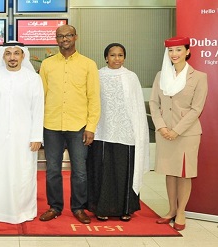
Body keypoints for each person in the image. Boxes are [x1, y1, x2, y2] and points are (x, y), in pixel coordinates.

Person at [0, 42, 44, 224]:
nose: (12, 57)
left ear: (23, 56)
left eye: (16, 53)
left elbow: (38, 109)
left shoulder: (33, 78)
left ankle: (23, 211)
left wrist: (36, 136)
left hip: (25, 135)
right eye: (8, 53)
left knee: (23, 172)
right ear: (2, 56)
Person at [38, 25, 100, 224]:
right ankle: (55, 207)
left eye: (68, 35)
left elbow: (94, 98)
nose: (65, 39)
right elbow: (42, 97)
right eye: (60, 36)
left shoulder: (88, 64)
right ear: (56, 39)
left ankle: (78, 207)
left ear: (76, 37)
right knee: (53, 170)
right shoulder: (47, 65)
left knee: (80, 171)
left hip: (78, 126)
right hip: (51, 125)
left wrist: (91, 126)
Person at [86, 43, 149, 222]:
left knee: (124, 172)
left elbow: (136, 106)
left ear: (124, 57)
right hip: (102, 131)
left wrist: (138, 131)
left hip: (126, 133)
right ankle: (101, 208)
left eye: (120, 55)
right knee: (103, 171)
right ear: (106, 57)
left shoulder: (131, 77)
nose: (116, 59)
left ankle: (125, 208)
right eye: (112, 55)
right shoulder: (97, 75)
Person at [150, 36, 207, 231]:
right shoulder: (161, 75)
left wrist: (176, 130)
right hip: (164, 132)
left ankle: (181, 211)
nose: (174, 54)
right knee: (170, 172)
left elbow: (196, 109)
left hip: (186, 133)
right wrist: (161, 127)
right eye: (171, 51)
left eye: (178, 50)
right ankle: (171, 209)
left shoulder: (199, 77)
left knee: (184, 173)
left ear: (187, 52)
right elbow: (154, 103)